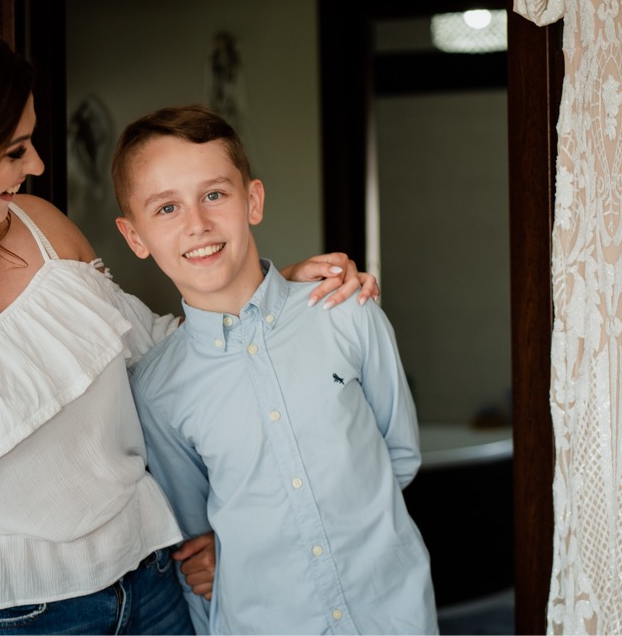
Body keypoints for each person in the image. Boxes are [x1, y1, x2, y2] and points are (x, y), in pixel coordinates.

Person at [0, 0, 377, 636]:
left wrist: (273, 294)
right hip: (19, 624)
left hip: (159, 587)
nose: (37, 165)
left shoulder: (43, 232)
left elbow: (164, 361)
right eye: (16, 151)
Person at [111, 105, 437, 635]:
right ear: (135, 237)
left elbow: (397, 454)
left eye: (214, 195)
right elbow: (198, 540)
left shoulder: (346, 313)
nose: (197, 224)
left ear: (253, 201)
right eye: (167, 208)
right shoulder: (158, 390)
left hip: (391, 614)